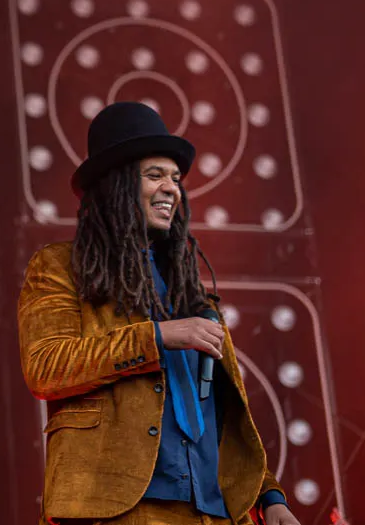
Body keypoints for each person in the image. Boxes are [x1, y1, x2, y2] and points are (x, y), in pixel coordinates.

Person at [16, 102, 300, 525]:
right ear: (115, 184)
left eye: (176, 179)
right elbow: (46, 367)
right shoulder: (60, 266)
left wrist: (269, 496)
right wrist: (157, 337)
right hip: (119, 508)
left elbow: (221, 415)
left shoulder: (190, 291)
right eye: (154, 175)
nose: (172, 189)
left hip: (215, 512)